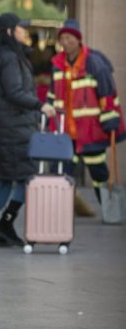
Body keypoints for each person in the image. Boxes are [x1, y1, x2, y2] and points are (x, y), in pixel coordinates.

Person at [0, 13, 56, 247]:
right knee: (27, 176)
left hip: (9, 125)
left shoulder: (6, 55)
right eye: (21, 28)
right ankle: (4, 222)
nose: (25, 31)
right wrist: (40, 104)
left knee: (2, 177)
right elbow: (14, 92)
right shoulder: (11, 57)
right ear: (10, 31)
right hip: (14, 126)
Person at [48, 19, 126, 214]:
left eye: (68, 38)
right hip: (66, 132)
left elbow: (107, 93)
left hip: (91, 131)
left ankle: (110, 209)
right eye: (62, 38)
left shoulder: (94, 62)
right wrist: (49, 116)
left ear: (77, 39)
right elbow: (52, 95)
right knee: (62, 171)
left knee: (98, 173)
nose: (65, 42)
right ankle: (59, 212)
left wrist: (111, 118)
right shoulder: (57, 64)